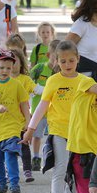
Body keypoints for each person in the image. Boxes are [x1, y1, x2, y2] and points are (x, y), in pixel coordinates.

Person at [22, 40, 83, 193]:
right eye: (62, 61)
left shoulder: (84, 81)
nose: (67, 65)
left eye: (71, 61)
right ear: (56, 61)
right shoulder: (53, 81)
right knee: (61, 168)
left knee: (76, 171)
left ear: (78, 59)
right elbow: (43, 105)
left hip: (79, 134)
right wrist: (31, 129)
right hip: (58, 131)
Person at [0, 50, 31, 193]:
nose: (5, 71)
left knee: (10, 155)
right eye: (2, 67)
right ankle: (1, 184)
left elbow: (24, 104)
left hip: (12, 127)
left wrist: (28, 123)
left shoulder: (16, 85)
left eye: (9, 68)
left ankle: (15, 185)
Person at [9, 49, 42, 182]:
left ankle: (27, 170)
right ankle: (9, 171)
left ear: (21, 63)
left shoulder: (25, 80)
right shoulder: (2, 80)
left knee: (24, 145)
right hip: (7, 120)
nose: (12, 64)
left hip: (23, 119)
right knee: (9, 147)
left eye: (15, 61)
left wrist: (52, 89)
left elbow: (37, 90)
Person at [28, 39, 60, 171]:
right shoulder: (40, 68)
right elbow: (28, 82)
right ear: (48, 56)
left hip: (55, 111)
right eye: (55, 57)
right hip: (39, 109)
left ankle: (54, 158)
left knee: (54, 137)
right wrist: (36, 89)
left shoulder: (62, 72)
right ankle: (35, 157)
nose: (58, 60)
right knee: (37, 135)